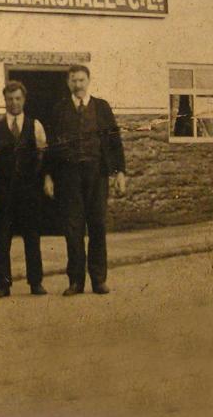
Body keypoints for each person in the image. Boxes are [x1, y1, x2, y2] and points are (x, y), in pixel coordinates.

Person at [45, 65, 127, 296]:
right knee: (73, 228)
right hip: (68, 175)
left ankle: (99, 280)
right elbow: (52, 146)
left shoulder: (102, 107)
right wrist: (49, 175)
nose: (78, 85)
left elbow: (114, 141)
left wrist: (120, 171)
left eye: (81, 80)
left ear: (88, 81)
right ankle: (75, 282)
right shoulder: (60, 109)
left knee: (98, 226)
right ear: (68, 83)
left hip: (97, 174)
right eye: (74, 81)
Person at [0, 80, 48, 297]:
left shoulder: (35, 126)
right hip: (3, 191)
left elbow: (42, 155)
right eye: (10, 99)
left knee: (32, 237)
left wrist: (34, 178)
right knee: (2, 239)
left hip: (29, 191)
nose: (14, 103)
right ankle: (3, 285)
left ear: (24, 100)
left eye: (18, 98)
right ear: (4, 101)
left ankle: (36, 282)